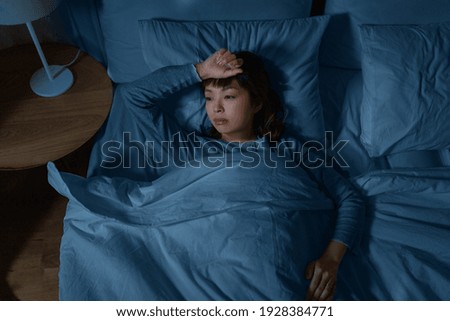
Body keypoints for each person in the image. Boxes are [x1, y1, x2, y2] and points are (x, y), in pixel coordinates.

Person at [95, 48, 363, 300]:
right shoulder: (190, 148)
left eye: (229, 97)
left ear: (257, 103)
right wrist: (199, 71)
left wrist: (332, 258)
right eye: (209, 98)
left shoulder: (289, 149)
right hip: (204, 265)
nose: (216, 109)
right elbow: (132, 96)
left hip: (270, 265)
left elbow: (349, 197)